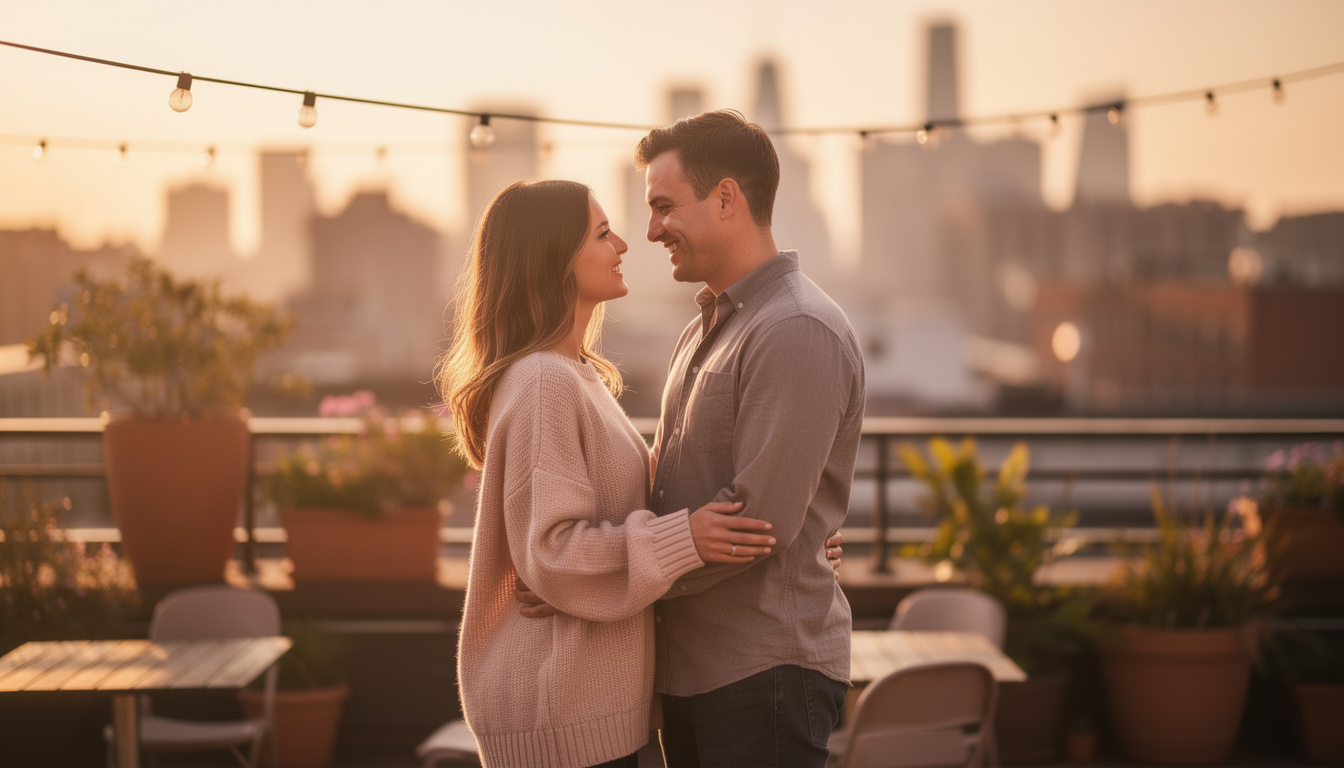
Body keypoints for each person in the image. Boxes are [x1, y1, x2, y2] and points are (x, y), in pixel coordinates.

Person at [436, 179, 782, 768]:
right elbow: (552, 552)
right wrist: (684, 539)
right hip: (559, 712)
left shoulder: (577, 376)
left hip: (587, 707)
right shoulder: (544, 381)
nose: (624, 243)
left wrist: (791, 530)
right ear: (553, 260)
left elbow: (577, 544)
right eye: (601, 234)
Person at [636, 109, 865, 767]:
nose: (651, 230)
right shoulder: (704, 329)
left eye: (663, 206)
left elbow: (756, 522)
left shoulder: (795, 328)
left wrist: (620, 583)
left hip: (762, 674)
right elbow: (673, 486)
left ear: (727, 198)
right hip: (694, 670)